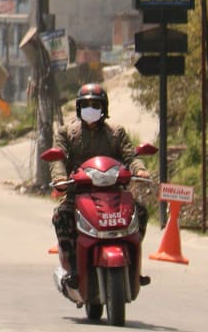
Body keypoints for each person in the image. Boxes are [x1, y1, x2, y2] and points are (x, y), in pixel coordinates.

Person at [51, 83, 150, 283]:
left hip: (114, 192)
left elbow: (131, 156)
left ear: (104, 108)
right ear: (78, 108)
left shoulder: (116, 132)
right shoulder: (67, 132)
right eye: (86, 105)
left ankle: (133, 266)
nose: (91, 109)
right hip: (78, 193)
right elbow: (57, 159)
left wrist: (139, 169)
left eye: (95, 105)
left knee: (141, 212)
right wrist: (60, 178)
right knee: (61, 217)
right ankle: (74, 270)